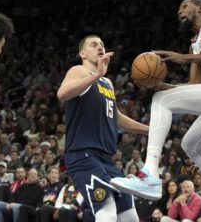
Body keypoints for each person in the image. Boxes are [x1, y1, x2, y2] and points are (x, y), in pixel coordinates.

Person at [111, 0, 201, 215]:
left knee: (162, 101)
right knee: (190, 144)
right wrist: (158, 84)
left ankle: (150, 175)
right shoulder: (195, 43)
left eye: (184, 6)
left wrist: (183, 58)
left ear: (200, 8)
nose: (179, 11)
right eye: (178, 9)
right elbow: (194, 86)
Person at [57, 34, 149, 222]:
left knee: (129, 215)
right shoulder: (79, 71)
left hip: (106, 159)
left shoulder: (106, 83)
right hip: (83, 154)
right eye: (93, 44)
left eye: (102, 44)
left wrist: (149, 130)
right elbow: (62, 93)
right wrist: (97, 74)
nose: (100, 47)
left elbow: (116, 117)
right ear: (82, 53)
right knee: (107, 210)